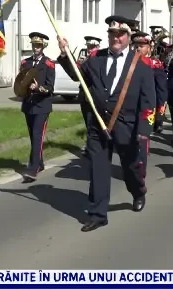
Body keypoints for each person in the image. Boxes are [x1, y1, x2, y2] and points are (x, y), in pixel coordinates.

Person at [57, 16, 156, 232]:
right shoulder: (96, 59)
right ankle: (98, 214)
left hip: (127, 127)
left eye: (120, 35)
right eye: (112, 34)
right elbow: (78, 76)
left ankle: (138, 191)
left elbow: (149, 101)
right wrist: (66, 54)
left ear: (128, 38)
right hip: (98, 125)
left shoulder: (141, 65)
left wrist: (144, 129)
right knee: (98, 170)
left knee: (130, 168)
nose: (115, 38)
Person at [19, 32, 57, 181]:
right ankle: (39, 162)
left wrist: (38, 87)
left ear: (43, 47)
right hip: (28, 105)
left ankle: (33, 168)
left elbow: (50, 87)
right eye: (34, 45)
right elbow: (20, 81)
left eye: (39, 45)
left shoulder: (49, 64)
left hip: (42, 105)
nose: (36, 48)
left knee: (37, 135)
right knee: (33, 136)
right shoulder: (25, 63)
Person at [132, 31, 168, 136]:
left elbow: (161, 91)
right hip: (130, 107)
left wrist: (159, 113)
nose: (138, 48)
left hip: (147, 107)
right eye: (136, 46)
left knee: (142, 138)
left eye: (141, 46)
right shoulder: (127, 62)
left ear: (149, 48)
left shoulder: (155, 65)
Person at [77, 36, 102, 156]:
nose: (89, 49)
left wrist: (85, 64)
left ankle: (91, 147)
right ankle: (90, 145)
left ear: (97, 47)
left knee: (92, 122)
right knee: (88, 122)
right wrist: (79, 65)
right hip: (84, 96)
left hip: (94, 95)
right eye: (88, 47)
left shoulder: (99, 59)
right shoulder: (86, 59)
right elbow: (77, 77)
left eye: (92, 47)